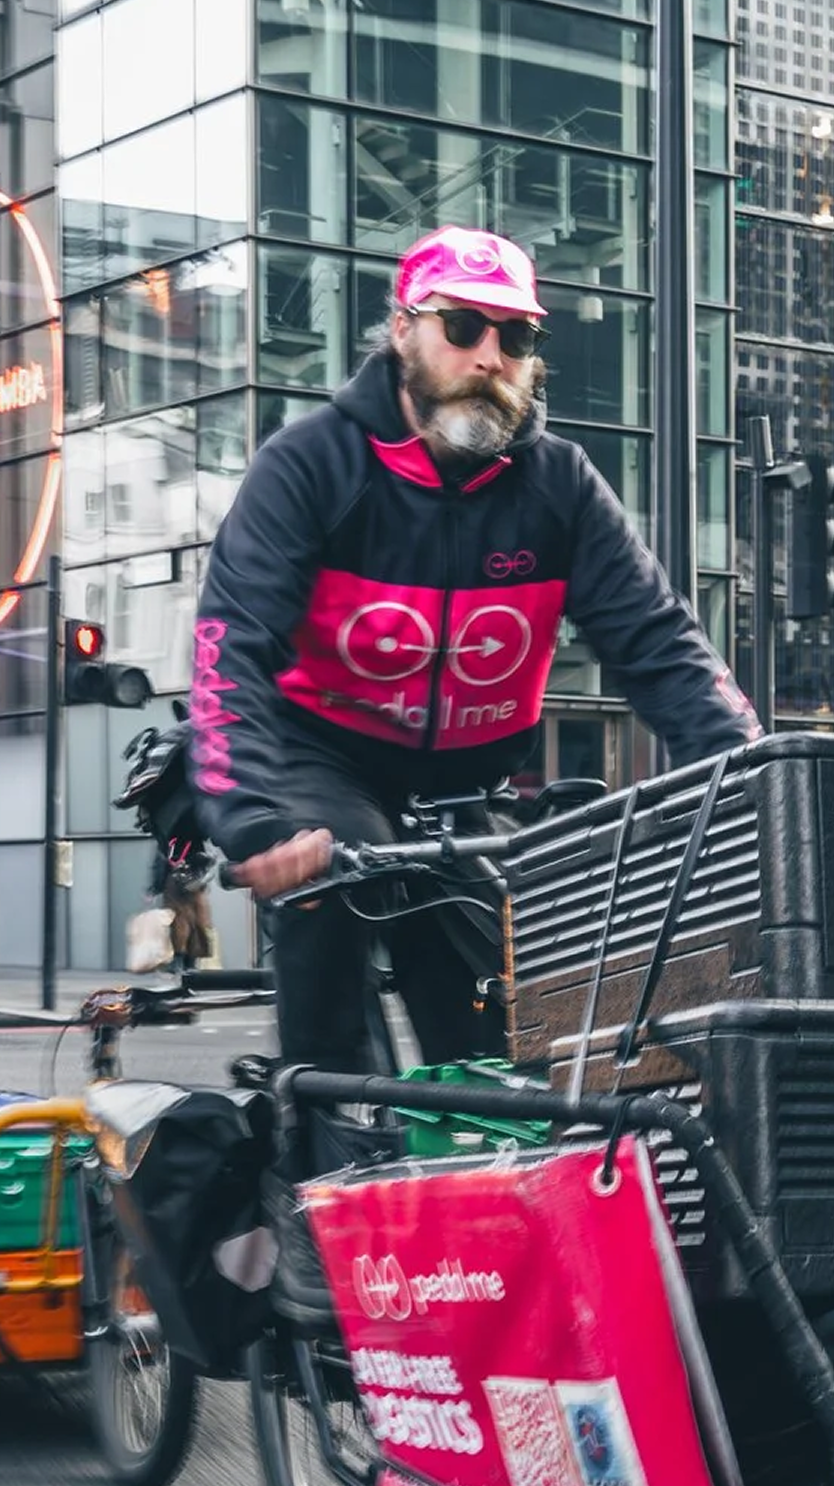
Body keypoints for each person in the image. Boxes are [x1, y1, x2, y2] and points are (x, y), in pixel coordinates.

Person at [196, 226, 762, 1169]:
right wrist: (252, 819)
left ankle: (476, 1202)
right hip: (321, 761)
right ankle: (324, 1188)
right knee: (332, 904)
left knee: (492, 1033)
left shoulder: (560, 487)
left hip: (465, 786)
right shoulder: (311, 464)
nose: (490, 356)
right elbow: (231, 647)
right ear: (404, 331)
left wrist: (753, 782)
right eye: (463, 327)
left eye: (516, 336)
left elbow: (661, 647)